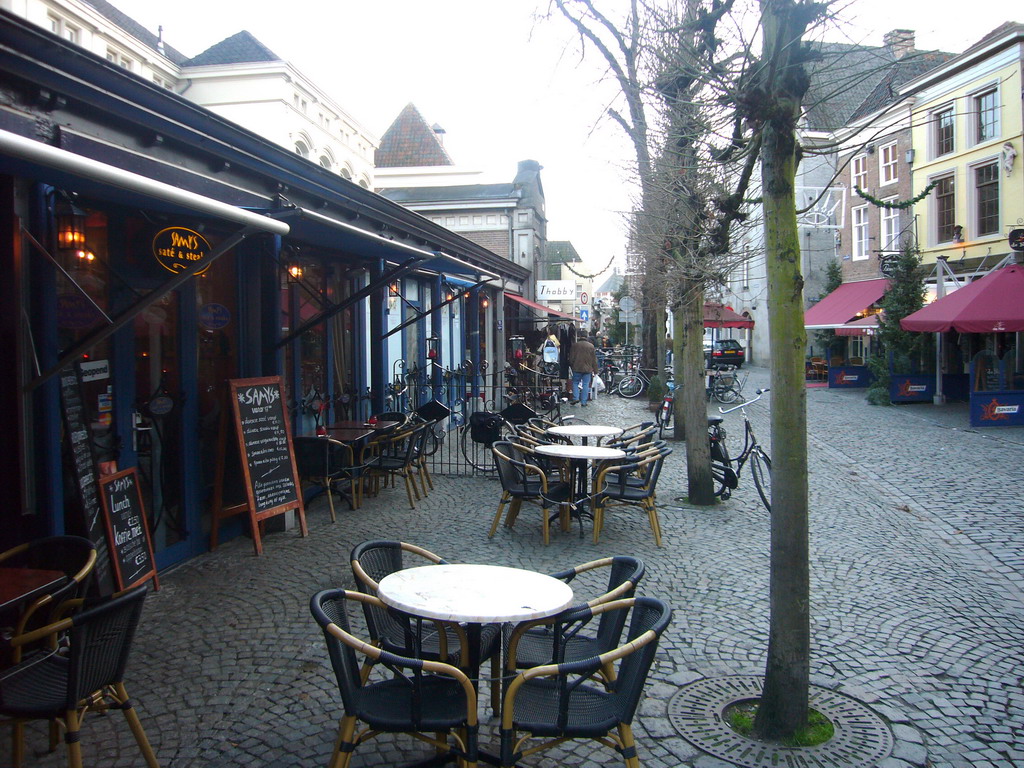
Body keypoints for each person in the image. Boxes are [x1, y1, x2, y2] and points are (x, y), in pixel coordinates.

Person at [568, 334, 599, 407]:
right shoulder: (591, 346)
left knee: (575, 383)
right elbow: (594, 360)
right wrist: (595, 370)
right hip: (587, 369)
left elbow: (571, 358)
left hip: (577, 367)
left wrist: (571, 365)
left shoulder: (575, 345)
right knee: (586, 384)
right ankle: (584, 402)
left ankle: (575, 397)